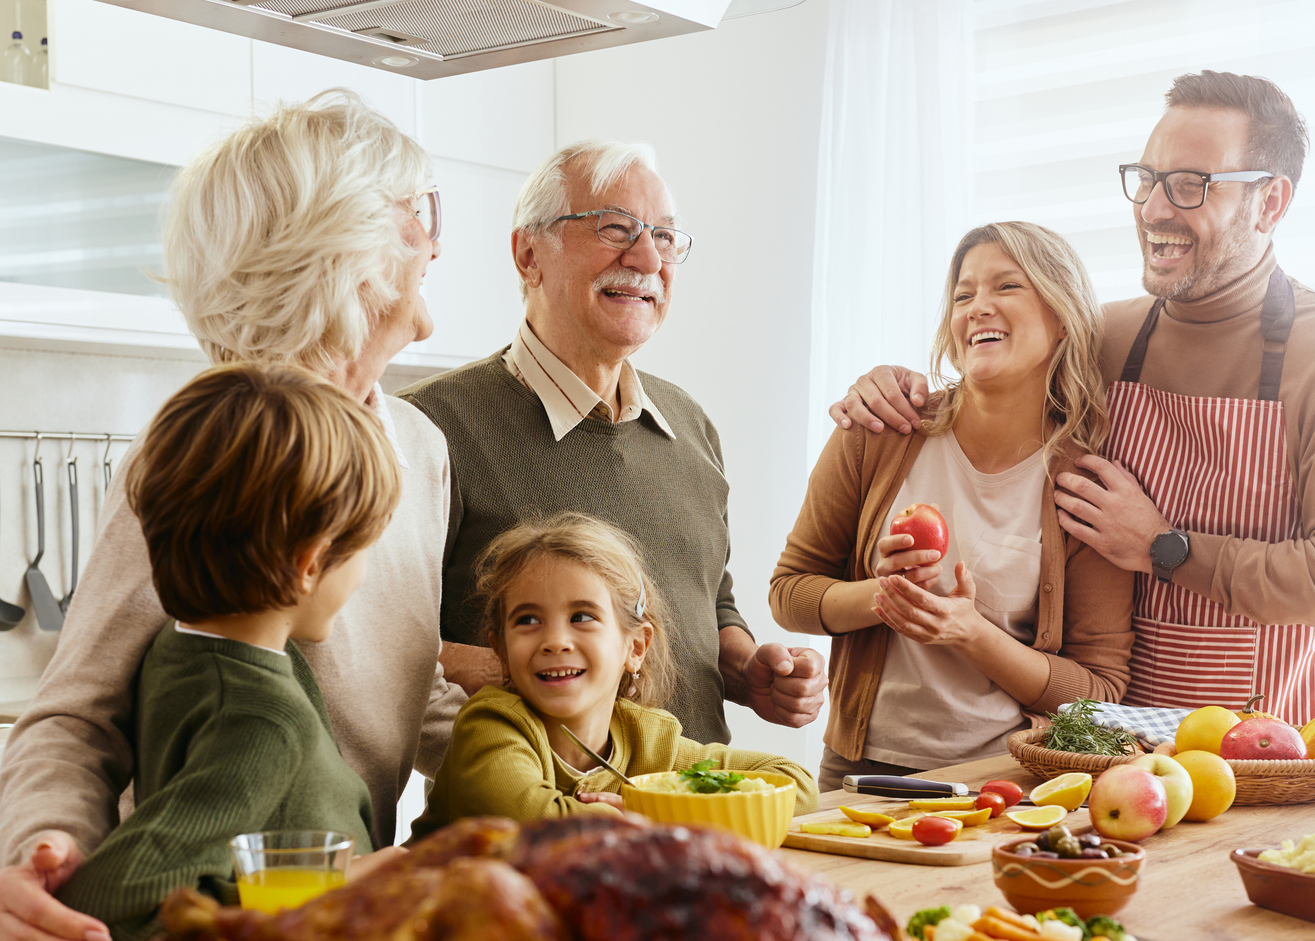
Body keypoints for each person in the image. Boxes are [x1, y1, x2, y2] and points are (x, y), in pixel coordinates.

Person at [0, 90, 457, 941]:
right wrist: (42, 851)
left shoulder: (419, 448)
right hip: (204, 938)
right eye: (416, 216)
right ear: (344, 247)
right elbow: (75, 714)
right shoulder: (224, 456)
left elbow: (401, 681)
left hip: (332, 927)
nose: (435, 242)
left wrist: (554, 762)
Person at [827, 71, 1315, 725]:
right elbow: (981, 388)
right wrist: (889, 385)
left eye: (1191, 184)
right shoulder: (1103, 335)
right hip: (1107, 746)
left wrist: (1165, 547)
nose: (1156, 209)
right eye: (1149, 179)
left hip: (1280, 742)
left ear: (1270, 203)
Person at [399, 141, 825, 746]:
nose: (648, 257)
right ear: (528, 255)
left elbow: (711, 598)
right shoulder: (428, 427)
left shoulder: (689, 422)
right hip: (537, 818)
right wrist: (536, 671)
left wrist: (748, 668)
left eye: (666, 237)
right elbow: (374, 642)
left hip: (700, 806)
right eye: (616, 228)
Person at [58, 365, 397, 941]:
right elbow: (109, 911)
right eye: (366, 549)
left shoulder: (181, 650)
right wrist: (329, 893)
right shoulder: (263, 718)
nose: (367, 573)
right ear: (311, 564)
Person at [770, 222, 1133, 787]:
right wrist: (885, 596)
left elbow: (1100, 689)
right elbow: (789, 593)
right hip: (858, 771)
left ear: (1062, 316)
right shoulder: (879, 432)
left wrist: (970, 633)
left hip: (1006, 777)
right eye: (963, 295)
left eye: (1006, 287)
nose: (977, 308)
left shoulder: (1084, 485)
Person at [414, 513, 816, 834]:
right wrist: (659, 818)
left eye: (582, 616)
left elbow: (791, 783)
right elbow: (529, 819)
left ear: (635, 647)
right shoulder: (491, 725)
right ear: (500, 648)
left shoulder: (650, 741)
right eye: (528, 619)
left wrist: (663, 817)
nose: (555, 641)